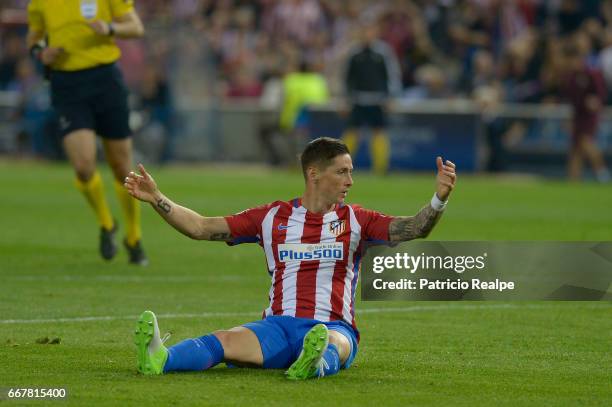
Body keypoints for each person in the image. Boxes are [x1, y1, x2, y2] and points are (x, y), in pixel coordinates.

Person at [125, 137, 457, 380]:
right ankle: (159, 358)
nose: (350, 181)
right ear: (314, 174)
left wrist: (438, 199)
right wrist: (157, 198)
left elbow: (414, 228)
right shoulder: (271, 218)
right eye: (342, 172)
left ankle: (313, 363)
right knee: (224, 340)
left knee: (335, 344)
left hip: (332, 325)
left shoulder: (358, 220)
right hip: (278, 328)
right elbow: (200, 227)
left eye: (350, 172)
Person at [26, 0, 148, 264]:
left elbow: (136, 27)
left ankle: (134, 237)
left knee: (120, 166)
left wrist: (109, 28)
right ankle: (107, 224)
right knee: (83, 166)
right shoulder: (40, 3)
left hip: (105, 80)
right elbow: (34, 36)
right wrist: (40, 53)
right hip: (66, 84)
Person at [342, 22, 402, 175]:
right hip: (358, 99)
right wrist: (345, 99)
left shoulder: (383, 52)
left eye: (370, 31)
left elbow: (392, 75)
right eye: (364, 31)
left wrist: (391, 97)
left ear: (375, 32)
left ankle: (381, 168)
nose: (367, 34)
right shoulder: (354, 53)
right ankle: (342, 166)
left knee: (379, 132)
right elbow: (347, 78)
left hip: (377, 100)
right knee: (352, 133)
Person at [561, 40, 610, 182]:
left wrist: (596, 101)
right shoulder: (569, 77)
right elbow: (569, 99)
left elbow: (601, 94)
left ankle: (602, 174)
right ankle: (573, 180)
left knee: (585, 143)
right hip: (577, 115)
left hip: (589, 116)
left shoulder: (592, 74)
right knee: (575, 149)